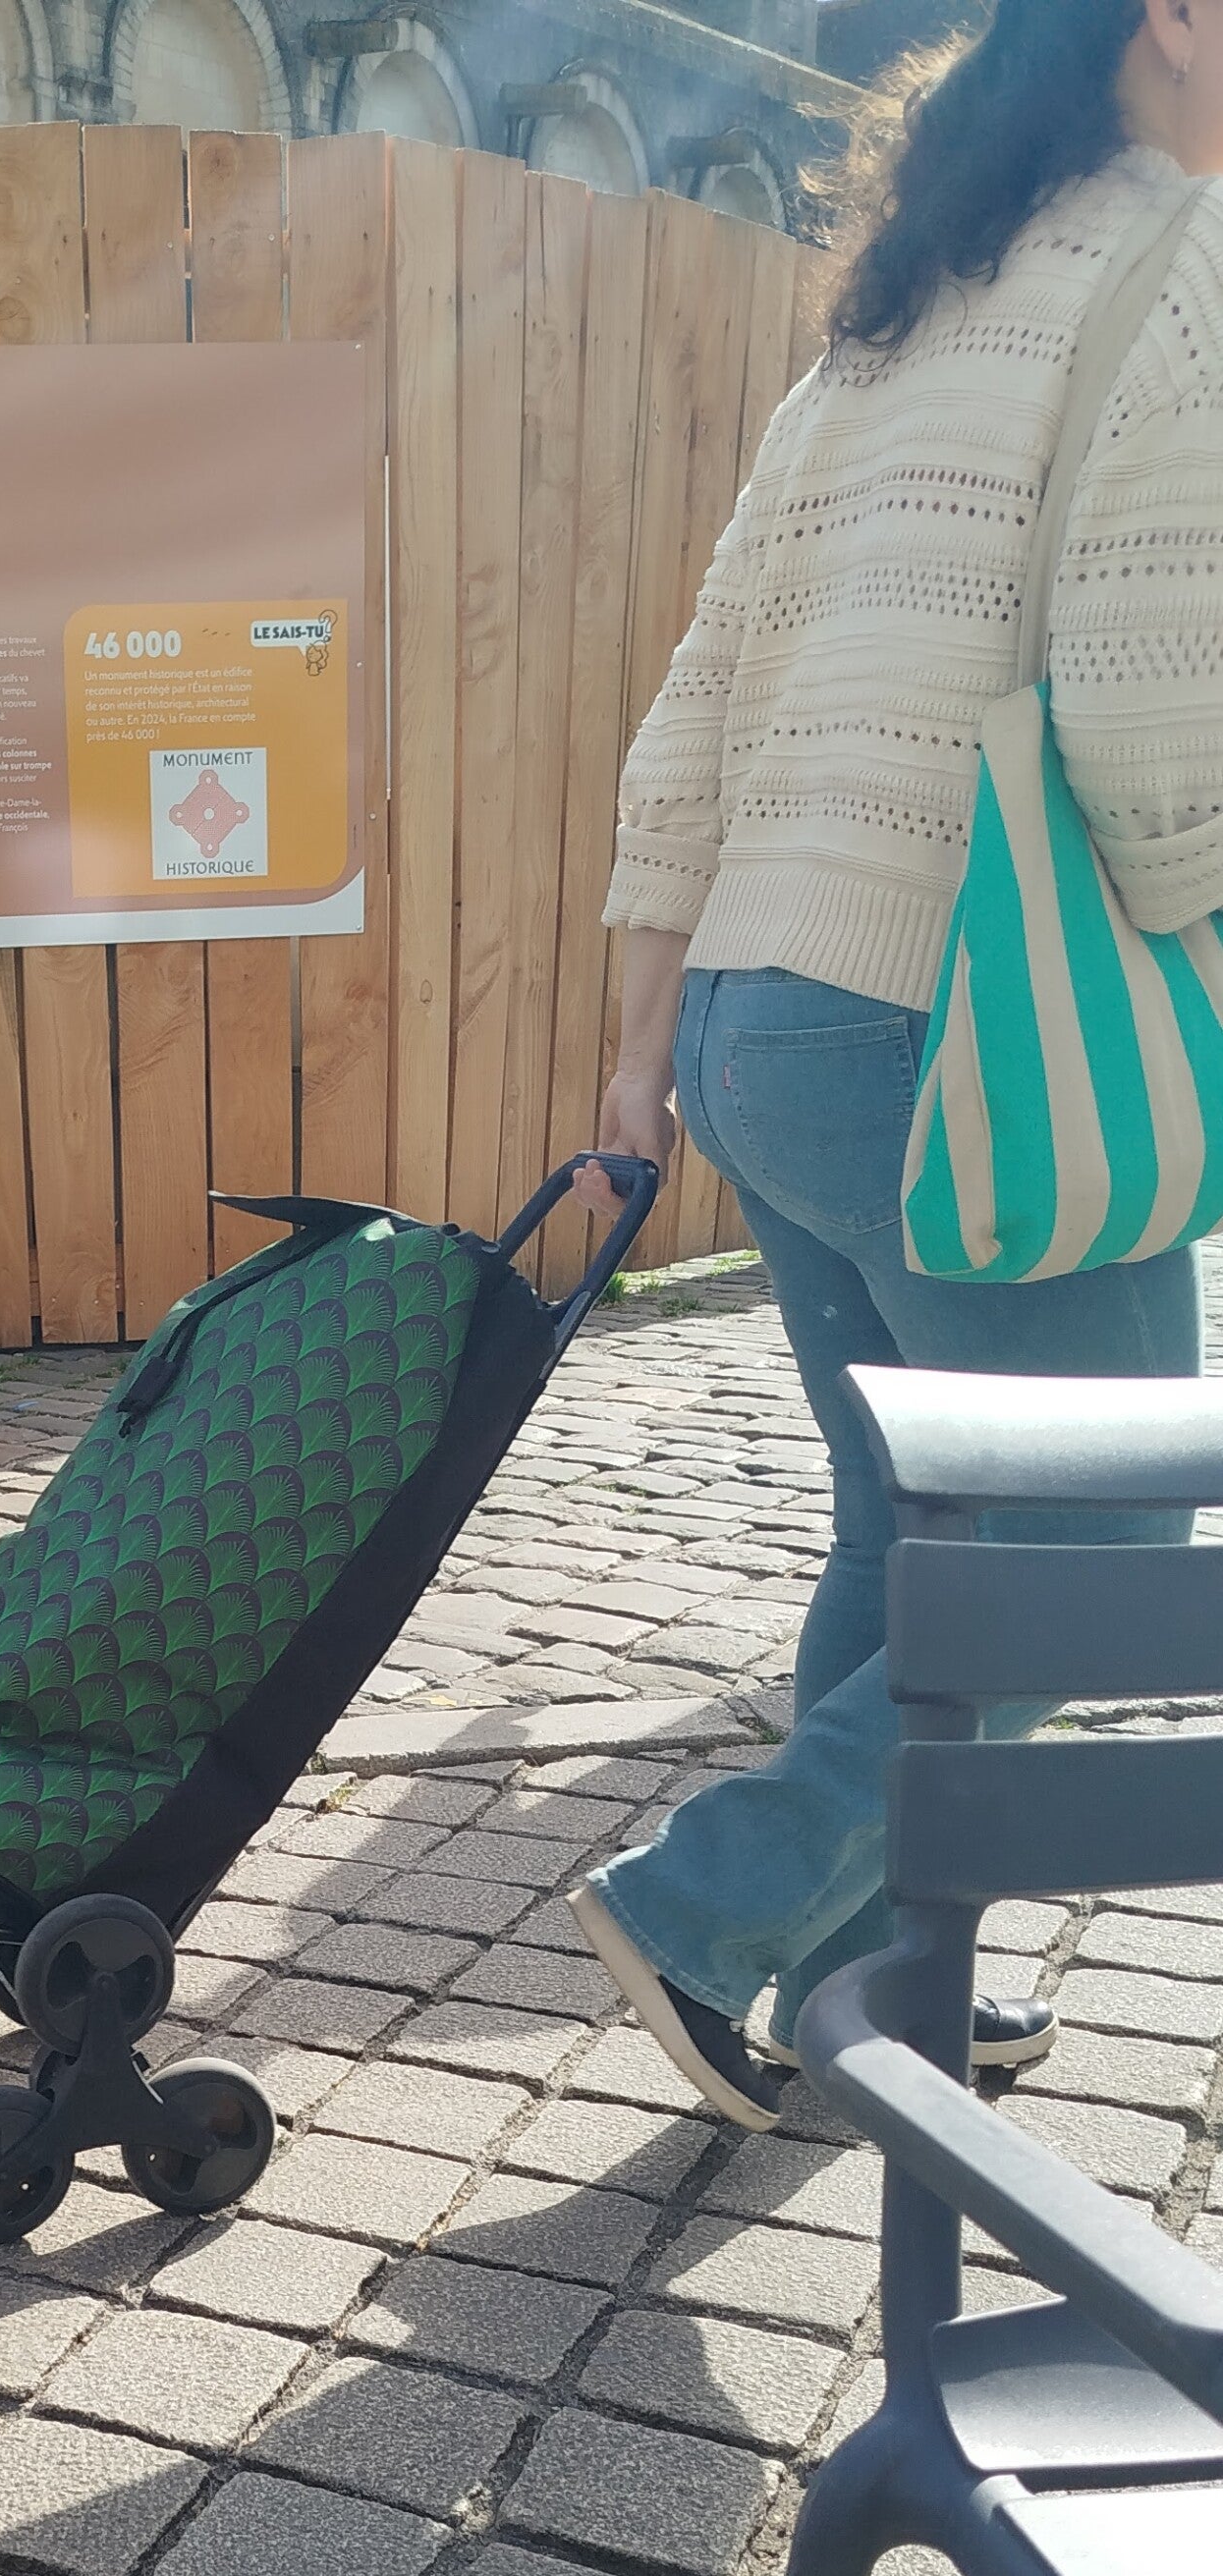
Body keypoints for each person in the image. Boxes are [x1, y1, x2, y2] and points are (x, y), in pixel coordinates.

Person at [572, 0, 1223, 2130]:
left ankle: (874, 1987)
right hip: (971, 1046)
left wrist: (638, 1041)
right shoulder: (1186, 272)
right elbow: (1150, 762)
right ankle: (714, 1904)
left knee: (912, 1517)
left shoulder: (897, 317)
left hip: (774, 1023)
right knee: (1100, 1541)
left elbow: (703, 687)